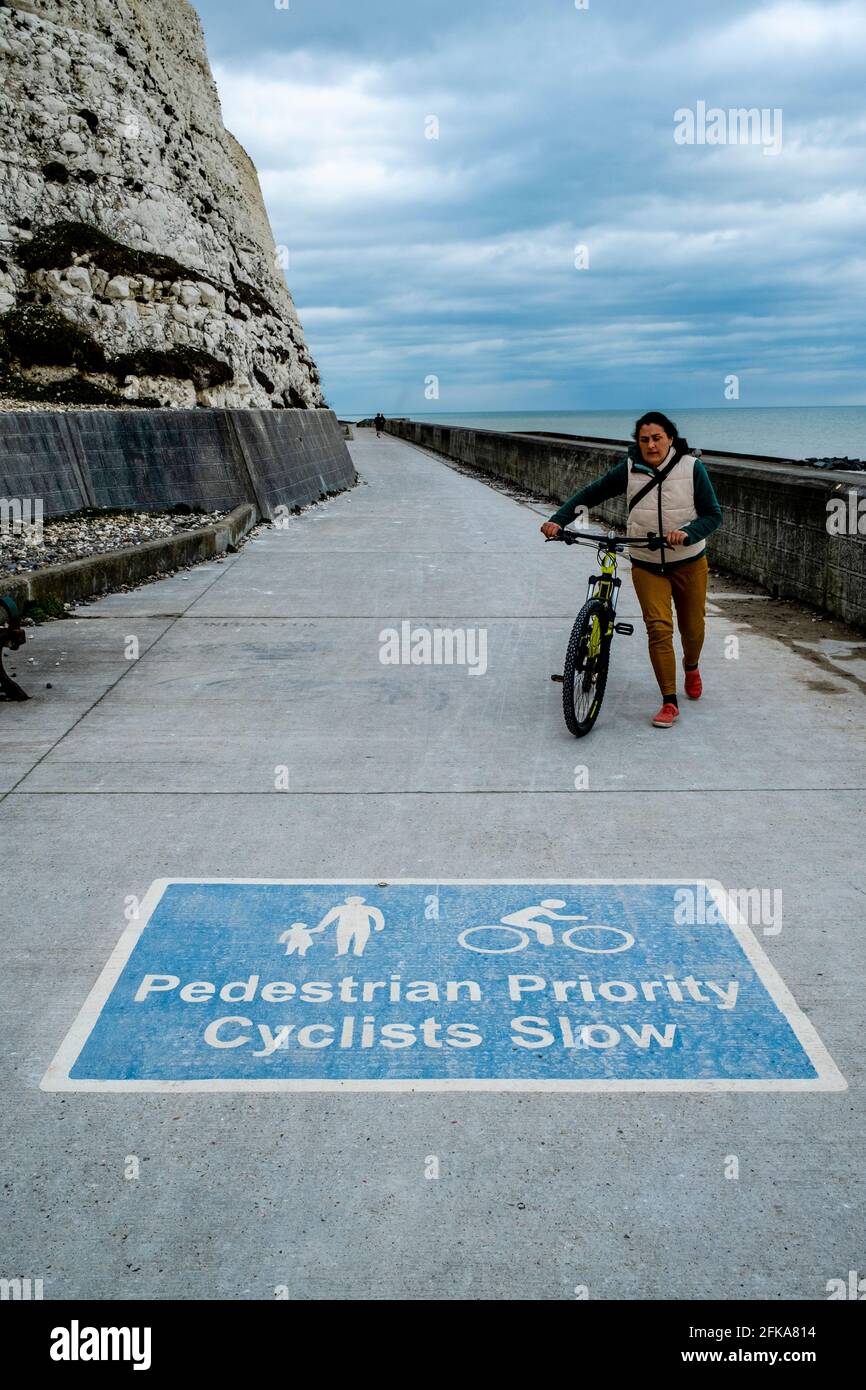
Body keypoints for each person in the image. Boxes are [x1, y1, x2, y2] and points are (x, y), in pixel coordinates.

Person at [540, 411, 722, 728]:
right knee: (659, 628)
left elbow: (713, 515)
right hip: (646, 563)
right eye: (644, 439)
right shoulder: (629, 469)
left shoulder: (692, 468)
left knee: (692, 629)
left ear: (670, 438)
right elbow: (590, 494)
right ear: (637, 442)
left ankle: (691, 666)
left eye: (657, 438)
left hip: (689, 562)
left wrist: (688, 533)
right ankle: (669, 701)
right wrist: (559, 520)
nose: (651, 445)